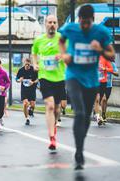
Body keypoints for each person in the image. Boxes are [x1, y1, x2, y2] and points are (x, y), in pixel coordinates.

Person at [59, 4, 115, 170]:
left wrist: (101, 50)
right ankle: (79, 152)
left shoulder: (101, 32)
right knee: (80, 113)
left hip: (91, 80)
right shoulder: (71, 28)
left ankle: (80, 147)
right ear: (79, 19)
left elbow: (112, 54)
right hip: (74, 77)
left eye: (87, 23)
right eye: (82, 22)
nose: (84, 26)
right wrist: (64, 55)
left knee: (87, 118)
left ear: (93, 20)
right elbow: (60, 40)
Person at [32, 15, 66, 151]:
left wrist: (62, 56)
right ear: (45, 24)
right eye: (49, 22)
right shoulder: (39, 40)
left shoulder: (63, 39)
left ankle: (54, 126)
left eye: (54, 22)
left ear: (57, 25)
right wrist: (35, 64)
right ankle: (52, 137)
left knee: (57, 109)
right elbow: (34, 53)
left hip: (59, 77)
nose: (52, 24)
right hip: (44, 76)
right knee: (50, 106)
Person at [16, 58, 38, 125]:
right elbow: (16, 79)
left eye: (28, 65)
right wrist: (19, 80)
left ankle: (31, 110)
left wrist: (33, 82)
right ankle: (27, 119)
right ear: (24, 63)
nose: (27, 66)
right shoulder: (21, 70)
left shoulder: (33, 70)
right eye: (26, 65)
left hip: (32, 89)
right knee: (25, 104)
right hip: (24, 90)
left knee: (32, 105)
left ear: (30, 64)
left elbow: (38, 79)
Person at [94, 56, 114, 125]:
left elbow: (111, 69)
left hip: (103, 82)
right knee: (97, 99)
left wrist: (104, 68)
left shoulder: (105, 58)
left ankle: (98, 113)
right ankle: (98, 117)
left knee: (101, 100)